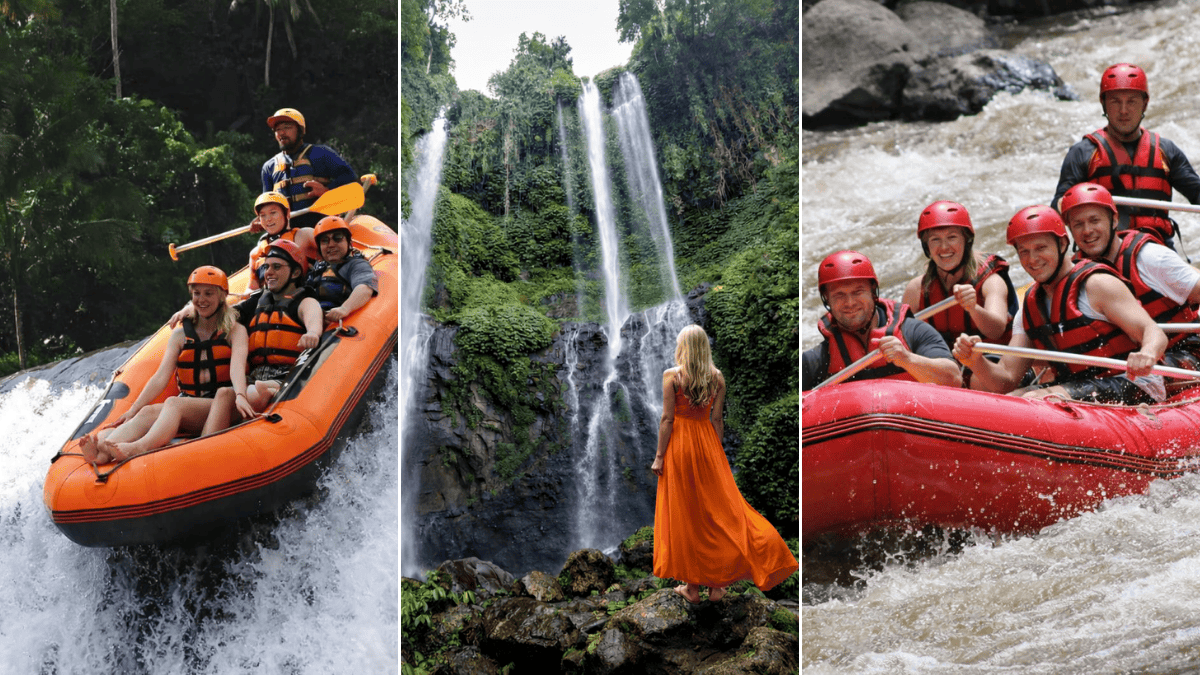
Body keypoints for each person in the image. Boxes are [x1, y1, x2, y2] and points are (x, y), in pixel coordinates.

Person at [955, 205, 1169, 404]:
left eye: (1041, 248)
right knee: (1013, 399)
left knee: (1037, 399)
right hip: (1077, 386)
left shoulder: (1097, 284)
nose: (1033, 259)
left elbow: (1152, 331)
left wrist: (1148, 352)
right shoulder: (1030, 306)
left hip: (1134, 383)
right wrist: (974, 361)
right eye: (1024, 252)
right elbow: (1006, 380)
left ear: (1062, 244)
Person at [650, 325, 798, 604]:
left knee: (689, 514)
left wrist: (659, 456)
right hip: (707, 445)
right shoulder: (717, 378)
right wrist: (716, 454)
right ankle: (717, 587)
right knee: (717, 512)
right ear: (704, 347)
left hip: (680, 447)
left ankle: (692, 588)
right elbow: (717, 420)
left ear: (683, 347)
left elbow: (667, 419)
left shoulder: (672, 376)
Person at [79, 267, 256, 463]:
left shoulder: (235, 331)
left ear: (222, 296)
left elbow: (237, 368)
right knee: (147, 412)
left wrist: (241, 395)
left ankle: (139, 448)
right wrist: (134, 409)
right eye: (196, 293)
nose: (201, 299)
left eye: (208, 293)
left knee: (174, 403)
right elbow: (160, 377)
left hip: (222, 405)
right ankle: (102, 453)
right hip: (191, 405)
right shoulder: (180, 335)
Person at [1052, 63, 1200, 248]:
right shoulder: (1083, 153)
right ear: (1104, 104)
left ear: (1144, 104)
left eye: (1131, 101)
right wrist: (1066, 204)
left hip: (1157, 247)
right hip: (1104, 251)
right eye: (1115, 101)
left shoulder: (1166, 151)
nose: (1123, 110)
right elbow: (1057, 210)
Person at [1061, 181, 1200, 376]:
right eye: (1078, 224)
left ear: (1114, 220)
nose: (1087, 231)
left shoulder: (1151, 258)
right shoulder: (1071, 274)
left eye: (1094, 220)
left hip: (1185, 350)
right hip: (1123, 362)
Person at [201, 239, 324, 433]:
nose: (268, 272)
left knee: (250, 392)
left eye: (277, 267)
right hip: (254, 379)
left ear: (295, 273)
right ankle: (207, 441)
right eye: (266, 267)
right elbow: (226, 314)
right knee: (225, 392)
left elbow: (313, 318)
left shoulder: (304, 301)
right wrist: (195, 312)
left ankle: (262, 395)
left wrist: (312, 333)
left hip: (287, 379)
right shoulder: (258, 301)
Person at [802, 250, 963, 390]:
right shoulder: (818, 359)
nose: (850, 303)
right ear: (827, 300)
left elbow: (954, 379)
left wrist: (907, 359)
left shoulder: (914, 332)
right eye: (839, 295)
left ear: (873, 292)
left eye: (858, 292)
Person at [900, 200, 1018, 348]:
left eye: (952, 237)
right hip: (943, 359)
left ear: (966, 240)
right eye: (935, 239)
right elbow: (903, 338)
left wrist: (973, 308)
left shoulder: (991, 281)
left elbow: (997, 331)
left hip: (991, 356)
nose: (944, 247)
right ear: (926, 246)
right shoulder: (916, 289)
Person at [261, 108, 357, 229]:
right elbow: (266, 204)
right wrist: (260, 218)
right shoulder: (268, 167)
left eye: (287, 127)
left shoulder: (321, 153)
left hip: (321, 227)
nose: (281, 133)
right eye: (277, 130)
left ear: (300, 130)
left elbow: (349, 177)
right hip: (286, 231)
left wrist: (327, 191)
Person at [307, 215, 378, 322]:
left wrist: (344, 308)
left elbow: (365, 288)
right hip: (312, 321)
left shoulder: (357, 265)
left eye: (338, 238)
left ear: (348, 242)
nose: (331, 244)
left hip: (339, 322)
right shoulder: (316, 269)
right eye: (325, 240)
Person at [248, 191, 318, 292]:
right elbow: (252, 288)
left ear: (287, 213)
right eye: (263, 215)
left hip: (303, 294)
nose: (268, 219)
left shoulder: (304, 235)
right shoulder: (255, 253)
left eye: (273, 213)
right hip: (271, 299)